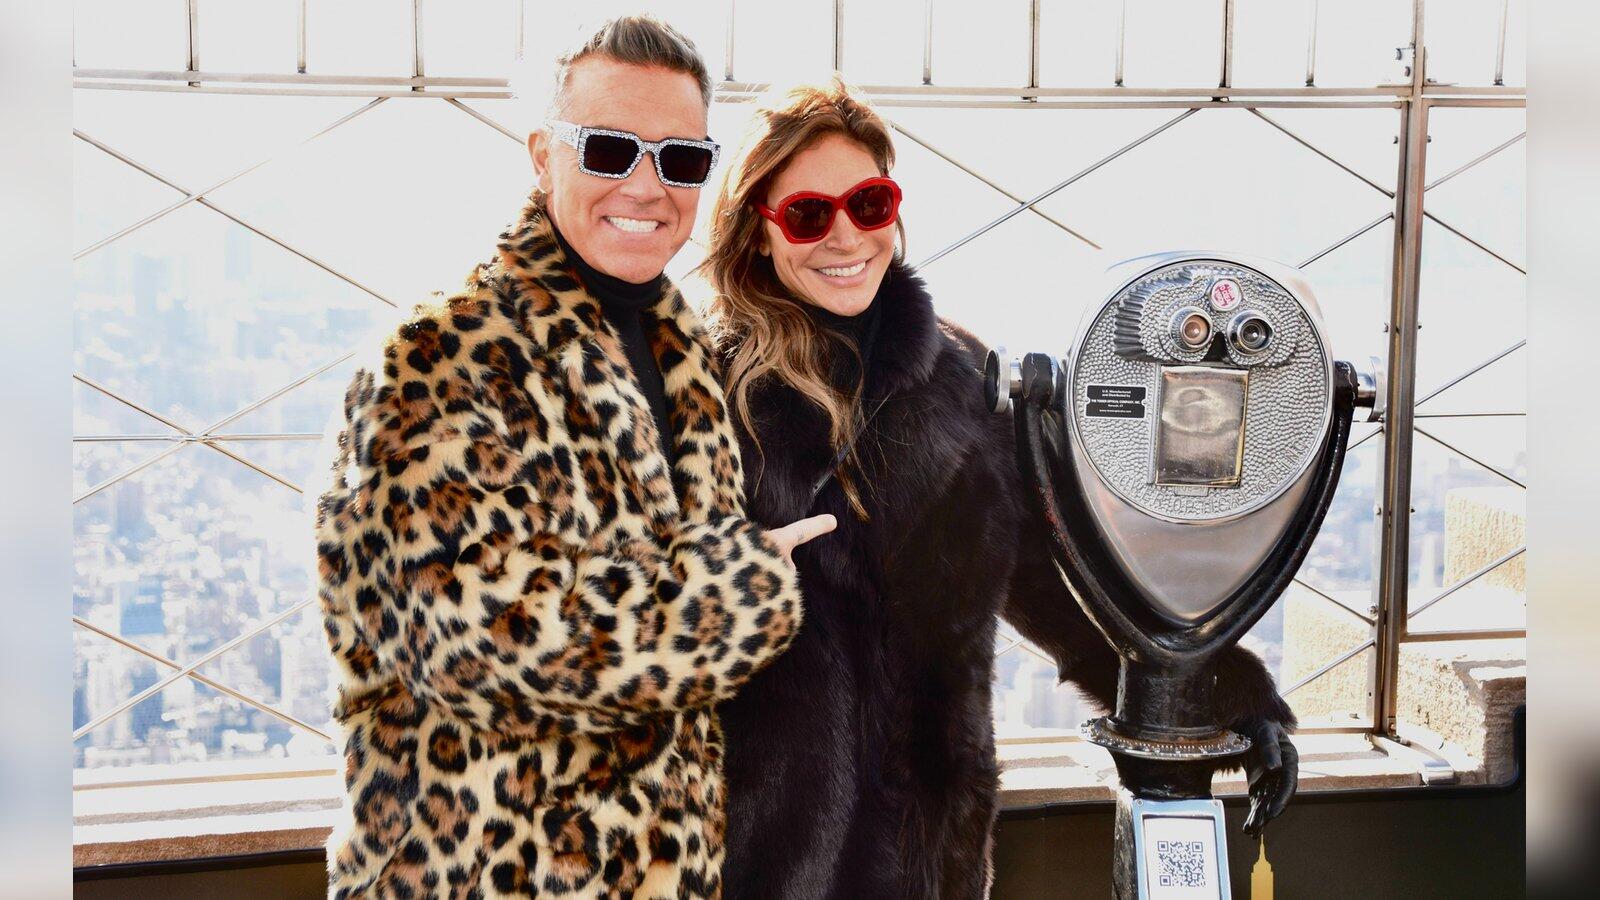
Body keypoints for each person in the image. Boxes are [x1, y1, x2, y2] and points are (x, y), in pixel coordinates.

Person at [703, 78, 1299, 898]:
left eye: (870, 204)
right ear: (758, 231)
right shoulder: (699, 397)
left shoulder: (961, 386)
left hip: (931, 866)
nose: (845, 236)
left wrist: (1231, 694)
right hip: (745, 866)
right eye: (808, 214)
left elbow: (1058, 596)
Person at [312, 16, 832, 898]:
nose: (646, 186)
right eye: (608, 149)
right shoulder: (439, 356)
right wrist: (742, 593)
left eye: (681, 160)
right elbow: (483, 646)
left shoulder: (688, 359)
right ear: (542, 156)